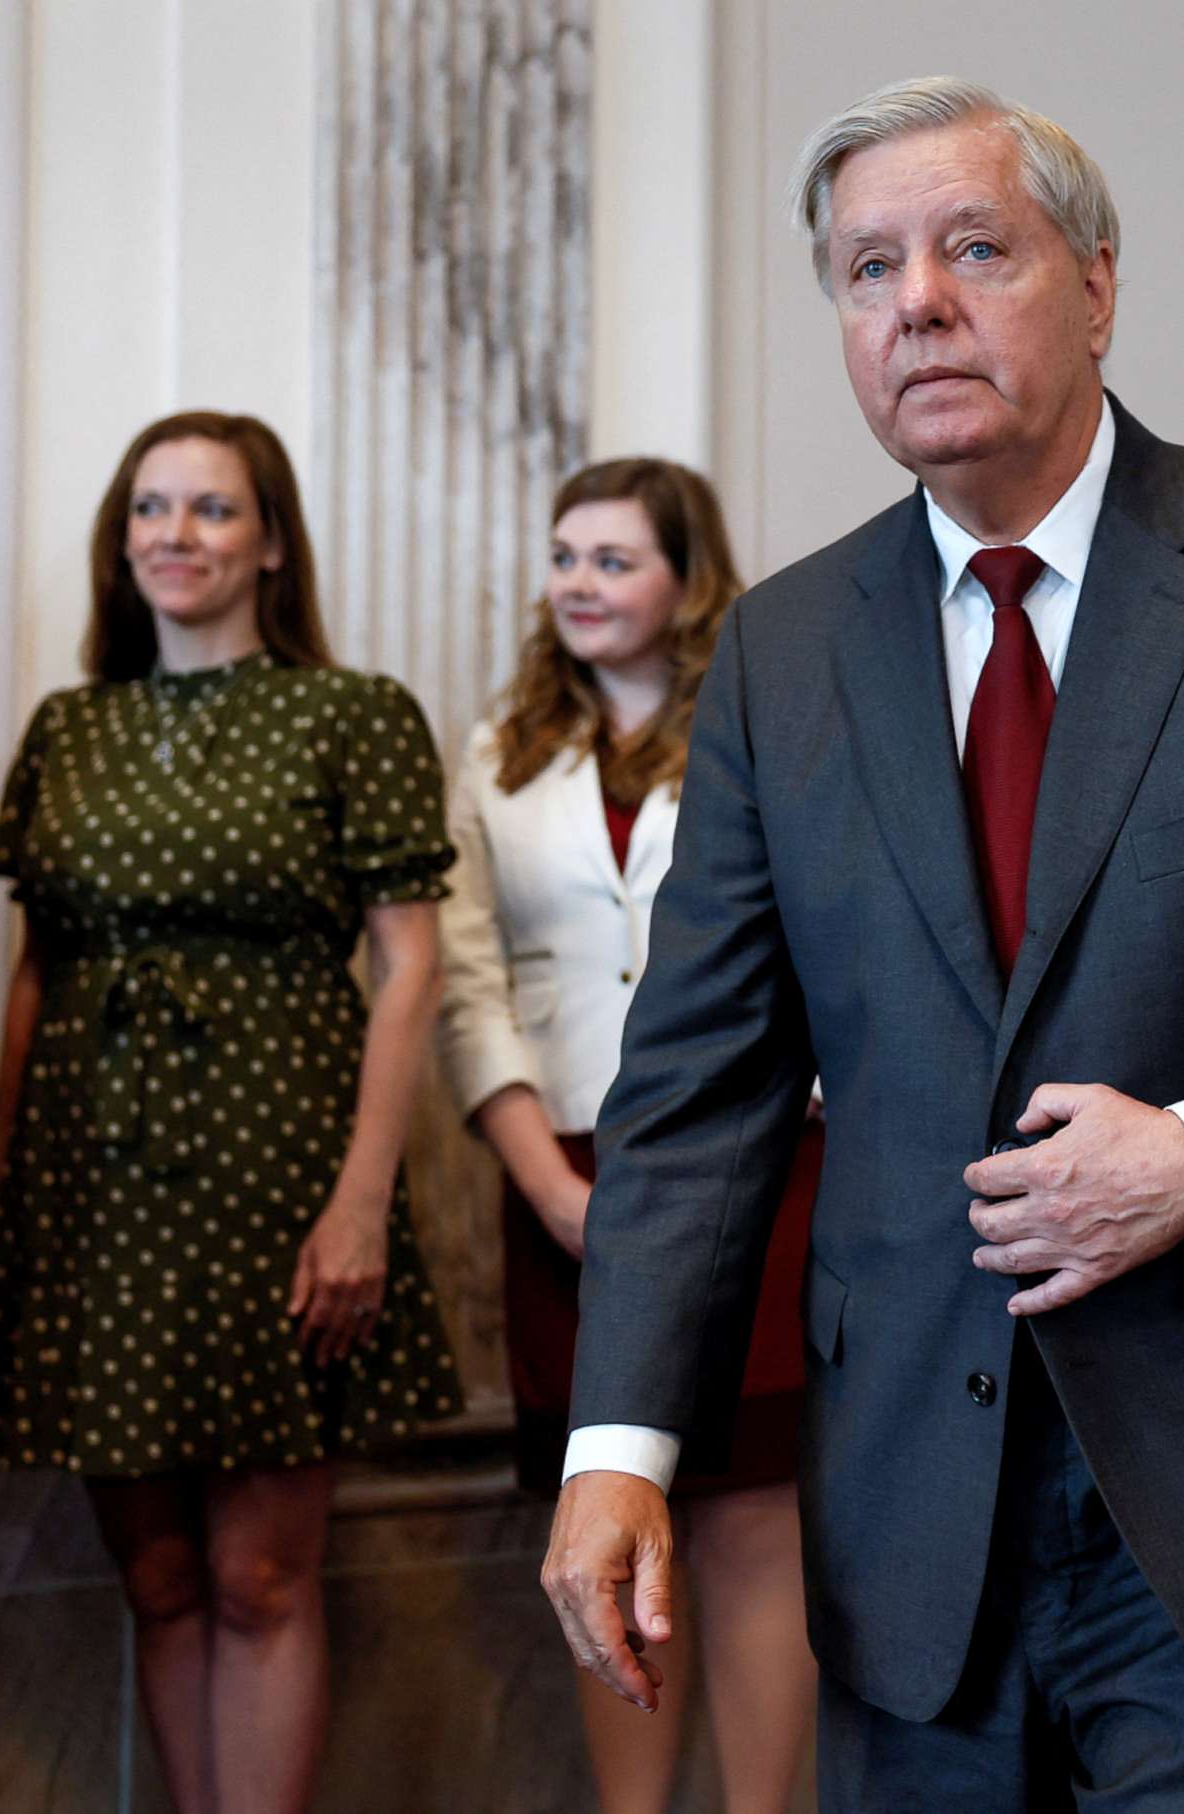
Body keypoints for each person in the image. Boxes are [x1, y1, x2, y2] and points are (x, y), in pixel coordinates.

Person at [539, 77, 1184, 1809]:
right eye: (869, 270)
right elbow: (696, 1095)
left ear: (1098, 284)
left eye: (974, 247)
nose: (917, 303)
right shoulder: (787, 650)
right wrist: (621, 1445)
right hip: (906, 1521)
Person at [0, 411, 465, 1814]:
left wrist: (364, 1197)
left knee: (257, 1573)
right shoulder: (68, 726)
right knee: (162, 1574)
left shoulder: (352, 711)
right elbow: (35, 967)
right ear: (120, 541)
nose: (175, 534)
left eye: (212, 509)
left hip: (280, 1167)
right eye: (151, 508)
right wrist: (5, 1172)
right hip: (92, 1178)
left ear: (273, 541)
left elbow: (411, 960)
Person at [439, 457, 818, 1812]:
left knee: (753, 1525)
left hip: (763, 1164)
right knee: (601, 1529)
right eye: (564, 556)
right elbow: (466, 983)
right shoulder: (497, 752)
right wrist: (545, 1181)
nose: (581, 584)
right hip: (565, 1171)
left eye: (615, 558)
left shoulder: (763, 721)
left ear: (686, 578)